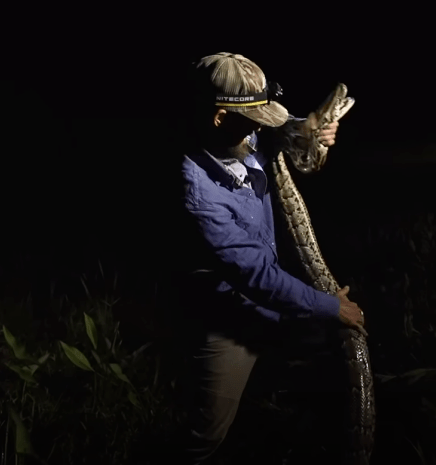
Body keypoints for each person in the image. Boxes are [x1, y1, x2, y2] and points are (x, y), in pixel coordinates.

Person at [169, 52, 366, 464]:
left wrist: (312, 131)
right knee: (205, 436)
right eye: (255, 117)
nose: (262, 125)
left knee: (310, 376)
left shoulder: (243, 136)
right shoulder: (196, 193)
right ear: (220, 118)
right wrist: (331, 306)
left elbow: (286, 132)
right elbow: (254, 275)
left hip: (275, 301)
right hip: (227, 318)